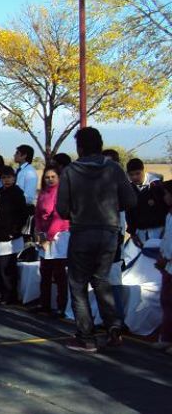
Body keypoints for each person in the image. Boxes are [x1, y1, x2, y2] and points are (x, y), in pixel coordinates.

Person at [56, 127, 137, 353]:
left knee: (78, 284)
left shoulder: (71, 171)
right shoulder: (114, 168)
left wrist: (79, 210)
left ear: (79, 147)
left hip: (82, 231)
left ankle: (86, 337)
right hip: (109, 232)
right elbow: (130, 200)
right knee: (101, 280)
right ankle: (114, 327)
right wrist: (110, 207)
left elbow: (62, 209)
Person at [32, 166, 70, 316]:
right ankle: (44, 304)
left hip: (59, 236)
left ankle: (61, 306)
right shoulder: (42, 193)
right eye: (47, 177)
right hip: (44, 236)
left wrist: (48, 238)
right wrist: (40, 237)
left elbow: (58, 217)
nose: (50, 180)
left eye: (53, 176)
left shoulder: (61, 193)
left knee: (59, 273)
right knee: (45, 271)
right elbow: (38, 216)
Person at [0, 166, 27, 305]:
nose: (6, 180)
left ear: (14, 178)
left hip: (10, 237)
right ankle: (0, 292)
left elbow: (22, 214)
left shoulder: (17, 193)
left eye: (9, 177)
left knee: (7, 268)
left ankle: (9, 295)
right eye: (3, 178)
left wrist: (15, 230)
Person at [125, 158, 167, 244]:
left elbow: (167, 209)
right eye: (131, 174)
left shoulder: (157, 186)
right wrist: (132, 232)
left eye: (137, 173)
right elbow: (129, 212)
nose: (134, 177)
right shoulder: (129, 189)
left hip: (159, 231)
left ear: (144, 170)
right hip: (140, 232)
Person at [154, 180, 172, 354]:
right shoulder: (169, 215)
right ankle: (166, 338)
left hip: (169, 263)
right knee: (166, 302)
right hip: (167, 266)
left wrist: (167, 260)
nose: (165, 197)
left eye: (167, 193)